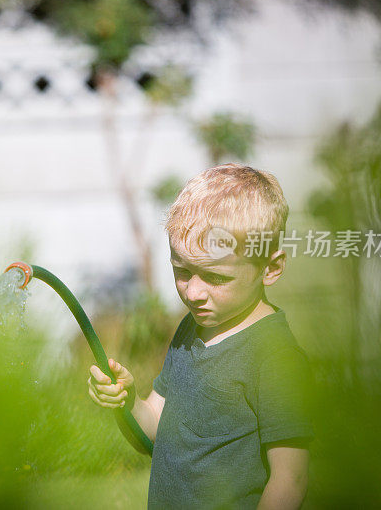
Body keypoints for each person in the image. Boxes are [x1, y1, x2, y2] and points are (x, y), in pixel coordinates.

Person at [88, 164, 314, 509]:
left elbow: (290, 479)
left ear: (269, 269)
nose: (193, 292)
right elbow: (152, 429)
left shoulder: (275, 358)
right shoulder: (190, 330)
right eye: (182, 271)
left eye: (215, 277)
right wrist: (128, 399)